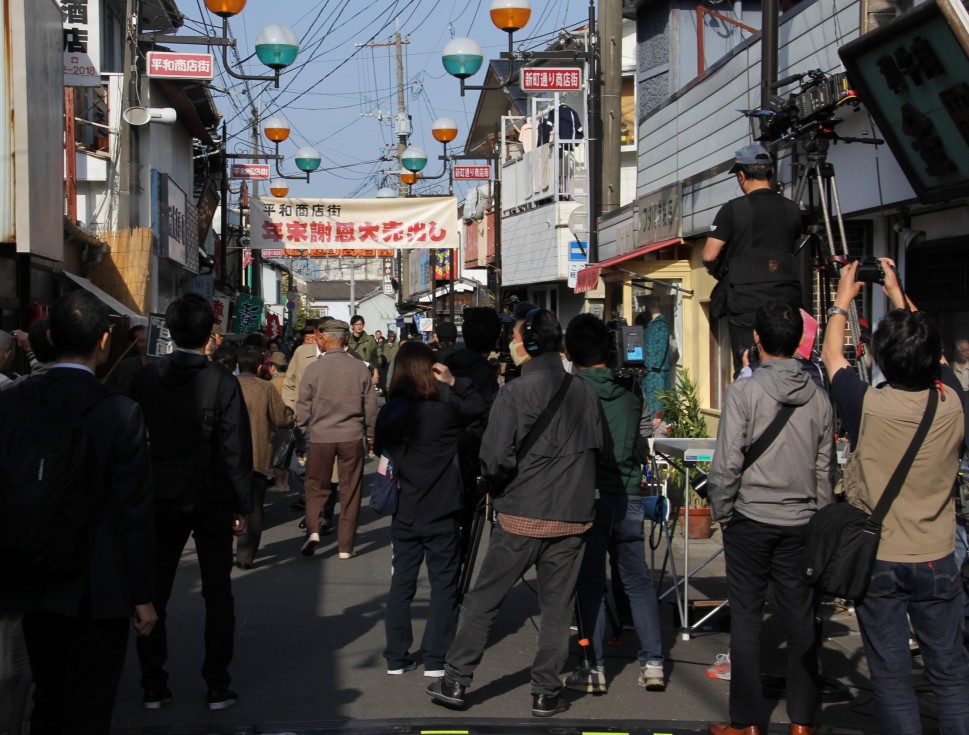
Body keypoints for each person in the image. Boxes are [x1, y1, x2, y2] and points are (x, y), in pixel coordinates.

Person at [427, 309, 607, 718]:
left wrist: (499, 482)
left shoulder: (515, 392)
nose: (511, 340)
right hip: (573, 514)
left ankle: (456, 679)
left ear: (528, 344)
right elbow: (603, 450)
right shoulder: (584, 391)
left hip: (523, 512)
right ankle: (546, 691)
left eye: (515, 335)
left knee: (483, 599)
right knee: (557, 607)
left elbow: (494, 457)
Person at [821, 259, 969, 735]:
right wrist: (895, 289)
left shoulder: (869, 405)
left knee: (890, 677)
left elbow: (832, 360)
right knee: (949, 674)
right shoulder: (954, 403)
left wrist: (843, 298)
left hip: (880, 559)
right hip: (939, 557)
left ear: (882, 360)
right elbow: (938, 355)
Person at [0, 290, 156, 735]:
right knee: (90, 705)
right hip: (98, 586)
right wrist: (142, 596)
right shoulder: (120, 414)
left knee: (48, 694)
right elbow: (134, 511)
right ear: (105, 341)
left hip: (30, 578)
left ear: (49, 337)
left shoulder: (12, 402)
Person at [706, 298, 835, 735]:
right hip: (801, 521)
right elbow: (824, 470)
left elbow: (727, 463)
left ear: (757, 340)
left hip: (749, 518)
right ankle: (803, 721)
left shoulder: (744, 390)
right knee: (800, 619)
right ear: (800, 342)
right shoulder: (818, 398)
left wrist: (722, 510)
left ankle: (746, 721)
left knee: (746, 618)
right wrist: (819, 520)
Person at [131, 293, 253, 712]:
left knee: (153, 590)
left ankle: (153, 683)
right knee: (218, 593)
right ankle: (217, 684)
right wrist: (243, 504)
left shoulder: (146, 378)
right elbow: (236, 451)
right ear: (209, 335)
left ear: (171, 330)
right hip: (212, 495)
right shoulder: (223, 382)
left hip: (157, 495)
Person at [563, 313, 666, 695]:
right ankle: (653, 662)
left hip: (586, 499)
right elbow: (642, 440)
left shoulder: (571, 391)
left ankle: (594, 667)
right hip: (628, 496)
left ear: (571, 353)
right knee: (637, 582)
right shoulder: (631, 390)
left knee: (590, 584)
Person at [375, 341, 486, 677]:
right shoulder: (444, 412)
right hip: (443, 508)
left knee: (402, 583)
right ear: (430, 372)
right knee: (442, 584)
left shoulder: (389, 412)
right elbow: (481, 406)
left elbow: (382, 449)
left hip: (405, 508)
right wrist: (454, 382)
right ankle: (436, 658)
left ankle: (396, 655)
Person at [701, 143, 805, 374]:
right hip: (786, 302)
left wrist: (718, 270)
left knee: (749, 369)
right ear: (770, 173)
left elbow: (709, 254)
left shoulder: (733, 209)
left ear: (741, 175)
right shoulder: (792, 209)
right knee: (789, 365)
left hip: (746, 304)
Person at [296, 319, 378, 559]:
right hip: (352, 435)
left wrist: (300, 437)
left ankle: (313, 529)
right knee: (350, 490)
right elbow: (370, 406)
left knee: (315, 486)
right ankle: (345, 546)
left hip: (321, 436)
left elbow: (303, 408)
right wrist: (371, 434)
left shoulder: (314, 369)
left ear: (324, 339)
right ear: (346, 339)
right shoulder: (359, 368)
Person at [442, 307, 502, 568]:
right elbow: (489, 423)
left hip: (440, 455)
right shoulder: (484, 376)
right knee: (464, 524)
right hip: (469, 459)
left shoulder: (446, 364)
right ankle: (460, 569)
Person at [235, 345, 293, 569]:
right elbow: (281, 417)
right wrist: (292, 417)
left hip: (229, 455)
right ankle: (246, 555)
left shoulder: (229, 384)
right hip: (257, 454)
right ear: (261, 367)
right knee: (255, 506)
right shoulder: (265, 388)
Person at [636, 295, 673, 428]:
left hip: (656, 372)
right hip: (651, 371)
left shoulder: (660, 324)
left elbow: (659, 349)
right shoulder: (653, 322)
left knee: (656, 407)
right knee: (651, 406)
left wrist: (648, 364)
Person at [104, 324, 150, 394]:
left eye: (148, 340)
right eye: (141, 341)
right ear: (132, 343)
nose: (146, 345)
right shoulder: (126, 364)